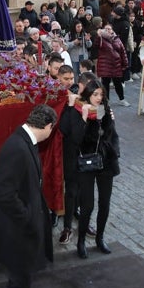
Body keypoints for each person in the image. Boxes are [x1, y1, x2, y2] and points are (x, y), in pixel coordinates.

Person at [0, 104, 57, 288]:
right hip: (15, 231)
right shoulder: (17, 147)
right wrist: (27, 219)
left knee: (23, 281)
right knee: (19, 283)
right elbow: (5, 194)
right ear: (47, 126)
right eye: (52, 128)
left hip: (21, 229)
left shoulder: (25, 142)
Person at [61, 79, 120, 259]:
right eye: (95, 94)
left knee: (105, 203)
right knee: (87, 205)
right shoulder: (78, 111)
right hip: (86, 163)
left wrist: (113, 152)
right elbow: (75, 139)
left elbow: (112, 135)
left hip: (105, 162)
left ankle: (100, 238)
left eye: (101, 94)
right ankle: (80, 242)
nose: (99, 98)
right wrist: (85, 119)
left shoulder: (105, 110)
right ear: (88, 95)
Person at [94, 25, 130, 107]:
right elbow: (96, 45)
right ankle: (106, 101)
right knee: (105, 84)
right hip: (105, 66)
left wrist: (125, 63)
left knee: (118, 84)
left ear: (112, 30)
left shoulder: (117, 39)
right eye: (105, 29)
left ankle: (122, 99)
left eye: (109, 29)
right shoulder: (101, 39)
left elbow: (123, 52)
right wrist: (98, 36)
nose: (107, 30)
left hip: (116, 66)